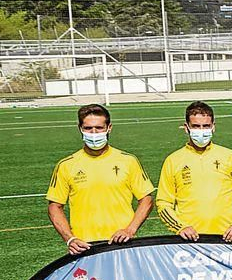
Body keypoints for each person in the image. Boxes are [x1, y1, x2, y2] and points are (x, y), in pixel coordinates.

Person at [46, 102, 155, 254]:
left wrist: (130, 230)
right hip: (84, 247)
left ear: (109, 128)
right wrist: (70, 239)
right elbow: (54, 207)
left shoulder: (128, 161)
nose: (94, 133)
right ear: (80, 129)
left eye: (99, 128)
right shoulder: (66, 165)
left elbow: (147, 199)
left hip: (122, 244)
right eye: (88, 128)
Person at [156, 100, 232, 241]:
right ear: (186, 128)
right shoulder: (173, 160)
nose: (201, 131)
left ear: (213, 127)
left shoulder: (229, 156)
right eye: (196, 126)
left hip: (226, 237)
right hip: (189, 240)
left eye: (206, 126)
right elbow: (163, 203)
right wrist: (180, 227)